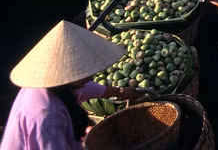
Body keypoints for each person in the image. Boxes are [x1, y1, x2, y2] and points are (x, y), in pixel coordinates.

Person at [1, 21, 145, 150]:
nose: (91, 75)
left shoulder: (46, 84)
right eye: (84, 71)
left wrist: (120, 92)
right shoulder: (49, 117)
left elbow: (85, 88)